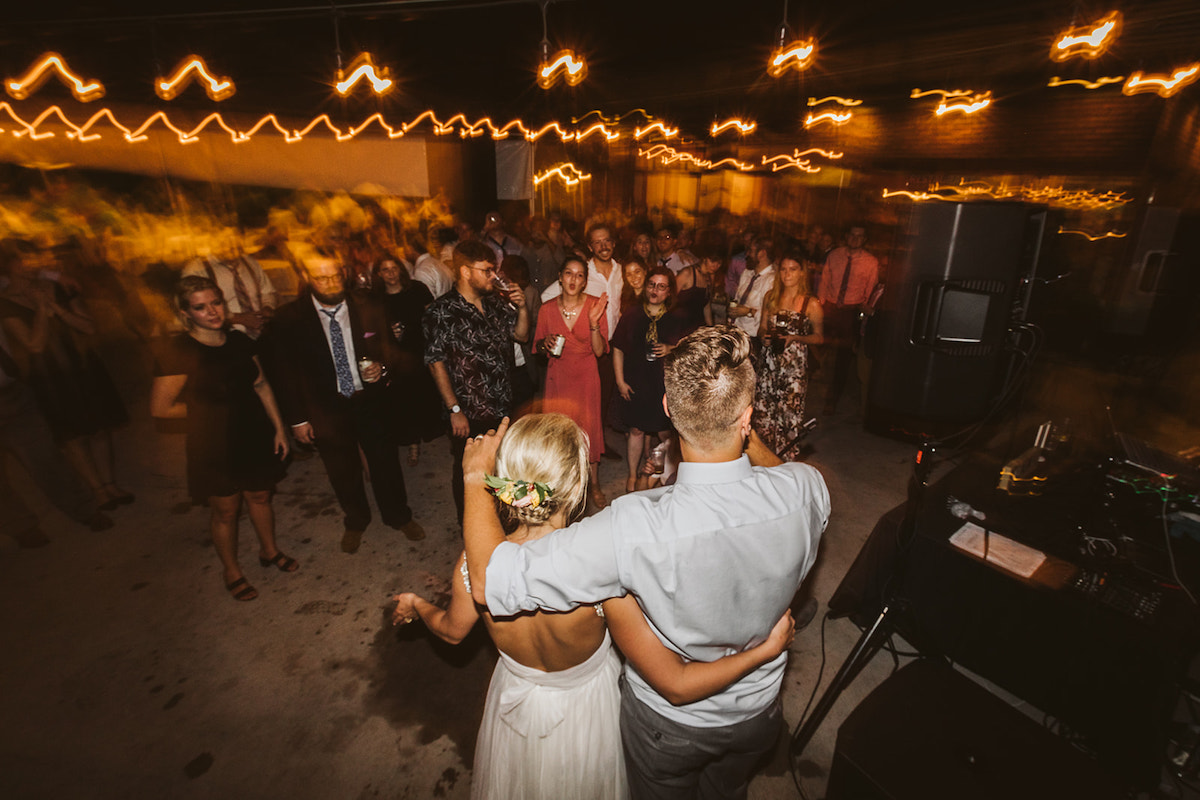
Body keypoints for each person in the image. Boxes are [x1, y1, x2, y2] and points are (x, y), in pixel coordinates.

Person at [462, 326, 830, 800]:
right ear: (748, 415)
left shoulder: (630, 526)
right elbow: (785, 478)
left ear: (668, 412)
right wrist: (742, 430)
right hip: (758, 716)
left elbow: (492, 581)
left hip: (669, 729)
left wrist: (476, 477)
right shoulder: (807, 489)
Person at [391, 413, 797, 800]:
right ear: (578, 484)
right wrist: (763, 647)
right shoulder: (601, 579)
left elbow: (451, 630)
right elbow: (673, 673)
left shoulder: (475, 564)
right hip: (588, 710)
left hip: (514, 703)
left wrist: (417, 604)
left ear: (504, 481)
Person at [260, 250, 425, 554]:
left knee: (385, 462)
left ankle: (398, 515)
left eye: (336, 275)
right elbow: (285, 374)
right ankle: (356, 519)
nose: (331, 283)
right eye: (322, 278)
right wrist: (297, 419)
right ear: (307, 278)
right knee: (341, 469)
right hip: (325, 408)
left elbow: (388, 349)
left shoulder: (368, 304)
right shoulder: (290, 319)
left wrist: (382, 368)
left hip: (369, 400)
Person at [150, 277, 293, 601]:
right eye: (200, 307)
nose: (212, 312)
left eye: (216, 303)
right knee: (226, 511)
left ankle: (269, 551)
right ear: (186, 313)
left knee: (260, 497)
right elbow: (161, 408)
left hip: (254, 433)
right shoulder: (178, 351)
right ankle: (232, 570)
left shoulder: (239, 341)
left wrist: (279, 428)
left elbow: (260, 384)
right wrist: (205, 413)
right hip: (213, 443)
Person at [0, 238, 133, 512]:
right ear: (9, 265)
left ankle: (110, 484)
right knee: (73, 436)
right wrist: (40, 309)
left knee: (99, 428)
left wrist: (56, 307)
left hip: (81, 366)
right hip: (48, 376)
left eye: (34, 258)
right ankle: (98, 491)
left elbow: (88, 327)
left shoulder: (57, 286)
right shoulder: (6, 304)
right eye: (23, 260)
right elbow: (34, 344)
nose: (31, 265)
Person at [423, 240, 529, 524]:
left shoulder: (496, 303)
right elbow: (435, 363)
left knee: (504, 466)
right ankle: (471, 527)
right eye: (486, 271)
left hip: (503, 402)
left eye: (494, 270)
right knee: (470, 472)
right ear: (466, 272)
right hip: (468, 410)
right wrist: (454, 410)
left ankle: (504, 522)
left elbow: (521, 336)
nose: (493, 276)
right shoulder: (440, 311)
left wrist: (522, 307)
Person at [534, 257, 609, 508]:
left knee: (589, 432)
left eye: (579, 275)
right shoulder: (546, 309)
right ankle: (559, 484)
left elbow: (599, 352)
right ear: (560, 276)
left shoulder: (595, 306)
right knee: (558, 433)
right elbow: (537, 346)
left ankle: (594, 484)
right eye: (569, 273)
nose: (573, 280)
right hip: (558, 378)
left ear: (586, 280)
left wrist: (594, 324)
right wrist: (543, 344)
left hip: (586, 377)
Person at [612, 266, 684, 495]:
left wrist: (670, 348)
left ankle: (667, 475)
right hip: (636, 382)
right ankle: (633, 475)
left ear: (669, 291)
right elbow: (617, 349)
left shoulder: (674, 317)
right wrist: (620, 381)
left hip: (663, 385)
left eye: (661, 286)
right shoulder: (632, 314)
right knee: (636, 430)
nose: (655, 290)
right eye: (652, 284)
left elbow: (688, 348)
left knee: (667, 433)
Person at [754, 253, 824, 458]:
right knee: (764, 417)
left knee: (789, 418)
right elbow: (761, 328)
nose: (787, 274)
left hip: (793, 369)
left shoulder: (810, 303)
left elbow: (819, 337)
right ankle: (763, 461)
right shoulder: (771, 296)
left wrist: (795, 338)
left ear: (802, 273)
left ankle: (786, 465)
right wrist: (764, 337)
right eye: (783, 269)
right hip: (768, 365)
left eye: (793, 269)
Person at [374, 257, 441, 467]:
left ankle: (430, 432)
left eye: (394, 268)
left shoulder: (417, 289)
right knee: (404, 401)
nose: (391, 273)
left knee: (425, 396)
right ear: (379, 274)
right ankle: (413, 443)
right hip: (396, 357)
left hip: (420, 352)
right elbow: (370, 330)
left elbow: (432, 316)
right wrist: (387, 332)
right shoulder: (377, 299)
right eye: (385, 270)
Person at [817, 225, 879, 415]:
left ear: (865, 239)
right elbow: (824, 281)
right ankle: (815, 389)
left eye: (860, 236)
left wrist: (864, 314)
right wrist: (819, 306)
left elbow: (871, 289)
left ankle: (832, 400)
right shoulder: (834, 255)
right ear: (846, 236)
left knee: (842, 359)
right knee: (819, 350)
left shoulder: (870, 262)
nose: (855, 239)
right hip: (830, 308)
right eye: (852, 235)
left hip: (851, 312)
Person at [182, 231, 276, 338]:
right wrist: (236, 318)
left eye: (235, 240)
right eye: (224, 241)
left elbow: (267, 292)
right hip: (223, 338)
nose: (231, 246)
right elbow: (194, 310)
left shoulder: (250, 262)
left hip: (260, 335)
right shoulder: (196, 269)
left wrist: (268, 307)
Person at [729, 237, 776, 338]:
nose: (747, 254)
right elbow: (737, 299)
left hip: (752, 336)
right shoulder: (747, 273)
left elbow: (771, 317)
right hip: (735, 330)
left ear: (762, 253)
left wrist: (749, 312)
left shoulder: (772, 280)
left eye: (750, 251)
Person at [674, 246, 723, 331]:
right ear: (704, 259)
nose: (716, 266)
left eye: (719, 263)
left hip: (698, 326)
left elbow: (706, 305)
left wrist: (710, 328)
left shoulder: (710, 277)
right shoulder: (687, 273)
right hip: (679, 325)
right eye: (712, 261)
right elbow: (670, 298)